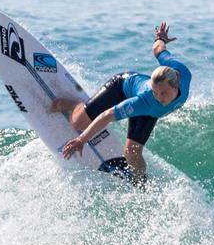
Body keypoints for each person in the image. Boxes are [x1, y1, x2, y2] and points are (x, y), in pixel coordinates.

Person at [51, 22, 192, 185]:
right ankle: (73, 104)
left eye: (163, 93)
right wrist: (81, 140)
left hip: (149, 110)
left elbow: (158, 50)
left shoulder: (182, 73)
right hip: (121, 86)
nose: (159, 97)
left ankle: (141, 184)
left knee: (132, 152)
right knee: (78, 123)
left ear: (176, 86)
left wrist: (161, 39)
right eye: (155, 92)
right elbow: (107, 116)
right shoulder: (145, 100)